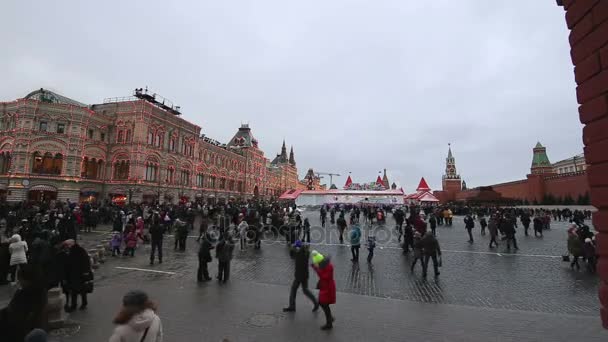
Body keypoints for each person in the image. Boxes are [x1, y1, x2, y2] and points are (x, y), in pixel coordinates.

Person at [0, 264, 48, 342]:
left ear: (28, 280)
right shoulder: (40, 292)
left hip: (20, 332)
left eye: (20, 279)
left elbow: (14, 313)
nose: (19, 282)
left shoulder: (25, 294)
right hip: (25, 329)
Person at [283, 240, 318, 312]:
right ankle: (316, 303)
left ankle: (292, 306)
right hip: (305, 275)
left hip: (299, 276)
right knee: (306, 290)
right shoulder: (306, 253)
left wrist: (291, 248)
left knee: (293, 290)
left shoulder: (298, 254)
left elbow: (292, 256)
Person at [63, 240, 93, 312]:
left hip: (79, 274)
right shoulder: (77, 250)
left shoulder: (78, 251)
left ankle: (80, 304)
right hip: (76, 274)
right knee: (76, 290)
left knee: (79, 290)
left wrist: (86, 272)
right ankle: (78, 304)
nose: (66, 247)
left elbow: (86, 261)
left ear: (70, 245)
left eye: (66, 245)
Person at [311, 250, 336, 330]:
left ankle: (329, 323)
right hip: (325, 287)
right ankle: (330, 319)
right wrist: (315, 267)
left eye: (318, 264)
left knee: (323, 303)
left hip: (327, 288)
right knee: (323, 303)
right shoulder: (325, 266)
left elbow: (324, 276)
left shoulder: (328, 267)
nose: (318, 265)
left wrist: (316, 269)